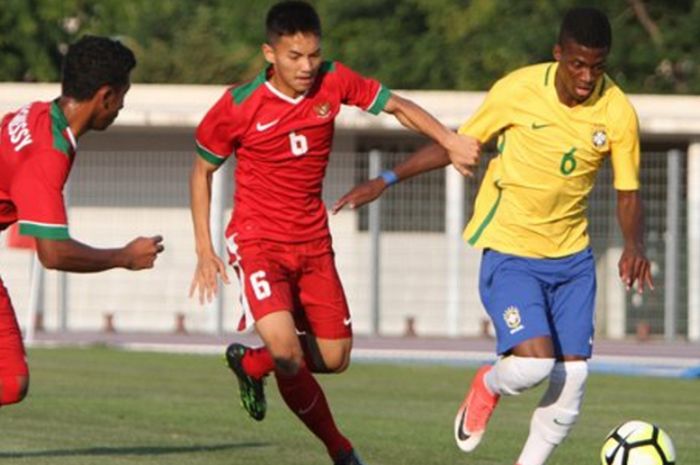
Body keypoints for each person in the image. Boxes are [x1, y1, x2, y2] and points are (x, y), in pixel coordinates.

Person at [333, 7, 652, 465]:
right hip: (511, 252)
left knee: (574, 377)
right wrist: (384, 180)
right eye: (577, 65)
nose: (586, 78)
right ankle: (487, 385)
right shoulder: (518, 90)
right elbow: (457, 142)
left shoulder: (617, 111)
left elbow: (628, 193)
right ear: (558, 53)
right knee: (533, 366)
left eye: (597, 67)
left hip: (573, 261)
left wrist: (634, 245)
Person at [189, 2, 478, 464]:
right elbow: (202, 171)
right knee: (287, 352)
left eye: (313, 56)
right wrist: (205, 250)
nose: (306, 67)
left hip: (313, 245)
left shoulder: (334, 80)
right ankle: (341, 450)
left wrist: (450, 140)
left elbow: (397, 106)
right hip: (258, 241)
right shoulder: (238, 106)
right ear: (270, 53)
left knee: (335, 357)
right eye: (294, 56)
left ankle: (250, 362)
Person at [0, 36, 164, 407]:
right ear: (106, 95)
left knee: (10, 382)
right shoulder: (48, 151)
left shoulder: (37, 113)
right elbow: (53, 253)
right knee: (9, 381)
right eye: (123, 95)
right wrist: (124, 257)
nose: (122, 106)